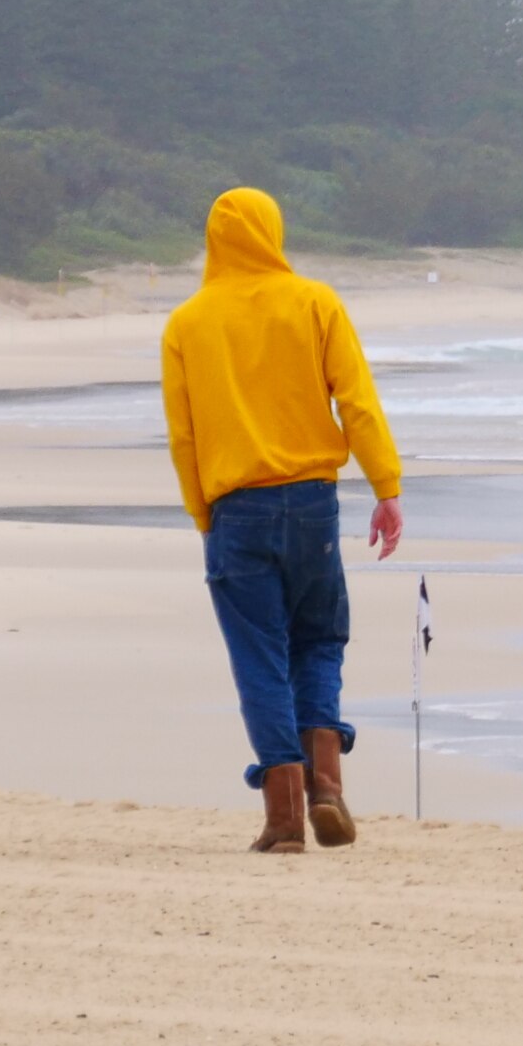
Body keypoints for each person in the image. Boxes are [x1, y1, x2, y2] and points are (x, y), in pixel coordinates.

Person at [160, 187, 403, 852]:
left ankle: (284, 816)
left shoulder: (187, 324)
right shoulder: (315, 302)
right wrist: (386, 486)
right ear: (273, 232)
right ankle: (327, 780)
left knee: (260, 658)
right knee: (319, 639)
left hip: (236, 509)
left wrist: (200, 512)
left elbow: (183, 436)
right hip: (314, 503)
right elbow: (356, 400)